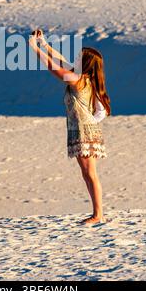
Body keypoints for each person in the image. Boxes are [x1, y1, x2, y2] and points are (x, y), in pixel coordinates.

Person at [28, 29, 111, 226]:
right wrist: (44, 44)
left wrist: (34, 49)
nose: (75, 59)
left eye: (79, 57)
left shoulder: (77, 80)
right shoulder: (81, 77)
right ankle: (97, 213)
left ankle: (98, 214)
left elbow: (54, 68)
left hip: (84, 131)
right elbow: (61, 60)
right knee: (87, 173)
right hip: (81, 129)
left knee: (90, 173)